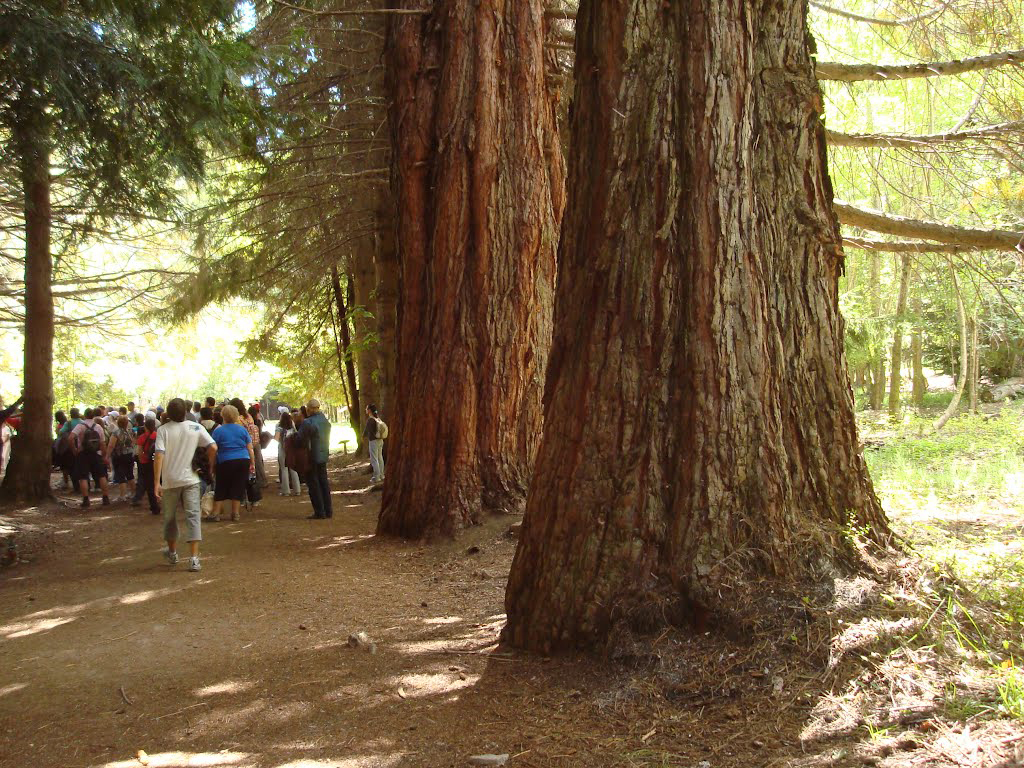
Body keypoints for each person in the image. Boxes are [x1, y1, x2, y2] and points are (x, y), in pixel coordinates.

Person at [154, 398, 216, 572]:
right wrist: (209, 467)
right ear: (185, 412)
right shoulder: (195, 427)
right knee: (193, 516)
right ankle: (194, 558)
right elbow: (213, 447)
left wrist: (156, 482)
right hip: (191, 479)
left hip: (170, 481)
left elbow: (158, 456)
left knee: (170, 517)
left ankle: (173, 552)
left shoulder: (163, 430)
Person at [210, 404, 254, 522]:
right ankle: (235, 513)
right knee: (238, 486)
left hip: (225, 460)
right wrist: (252, 463)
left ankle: (215, 513)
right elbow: (250, 448)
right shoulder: (242, 430)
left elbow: (214, 449)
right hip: (243, 460)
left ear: (222, 415)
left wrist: (212, 465)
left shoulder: (218, 431)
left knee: (221, 485)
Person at [71, 407, 111, 507]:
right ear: (93, 415)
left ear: (85, 415)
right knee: (101, 476)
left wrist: (74, 450)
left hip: (83, 454)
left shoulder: (80, 426)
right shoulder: (98, 427)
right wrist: (104, 455)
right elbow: (102, 443)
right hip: (96, 454)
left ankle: (86, 499)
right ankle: (105, 498)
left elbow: (70, 438)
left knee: (83, 477)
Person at [299, 398, 332, 520]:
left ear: (310, 409)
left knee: (313, 484)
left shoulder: (308, 422)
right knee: (324, 482)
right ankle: (328, 510)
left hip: (311, 455)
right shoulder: (325, 421)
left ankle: (319, 511)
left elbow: (300, 439)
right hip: (323, 454)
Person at [234, 398, 267, 489]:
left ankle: (251, 483)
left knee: (249, 464)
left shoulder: (238, 419)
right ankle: (262, 481)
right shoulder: (248, 416)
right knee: (258, 462)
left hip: (246, 444)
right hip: (255, 441)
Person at [105, 415, 136, 502]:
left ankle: (122, 495)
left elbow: (111, 445)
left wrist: (107, 456)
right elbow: (134, 442)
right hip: (130, 455)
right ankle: (133, 492)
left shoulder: (116, 433)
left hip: (119, 456)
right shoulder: (130, 431)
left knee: (121, 475)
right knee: (130, 474)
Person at [136, 417, 160, 515]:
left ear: (145, 427)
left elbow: (139, 452)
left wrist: (142, 460)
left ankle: (154, 507)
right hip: (157, 462)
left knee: (149, 485)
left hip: (146, 463)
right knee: (159, 482)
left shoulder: (141, 437)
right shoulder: (158, 435)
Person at [275, 411, 301, 496]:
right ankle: (297, 490)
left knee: (284, 469)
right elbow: (296, 434)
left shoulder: (278, 426)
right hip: (291, 449)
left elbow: (276, 438)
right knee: (293, 468)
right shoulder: (292, 425)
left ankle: (286, 491)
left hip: (282, 448)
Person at [363, 404, 386, 484]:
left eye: (367, 408)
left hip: (373, 441)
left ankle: (376, 477)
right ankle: (382, 475)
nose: (366, 410)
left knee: (374, 459)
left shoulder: (370, 420)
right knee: (380, 458)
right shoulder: (378, 419)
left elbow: (366, 431)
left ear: (369, 410)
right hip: (380, 440)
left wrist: (363, 437)